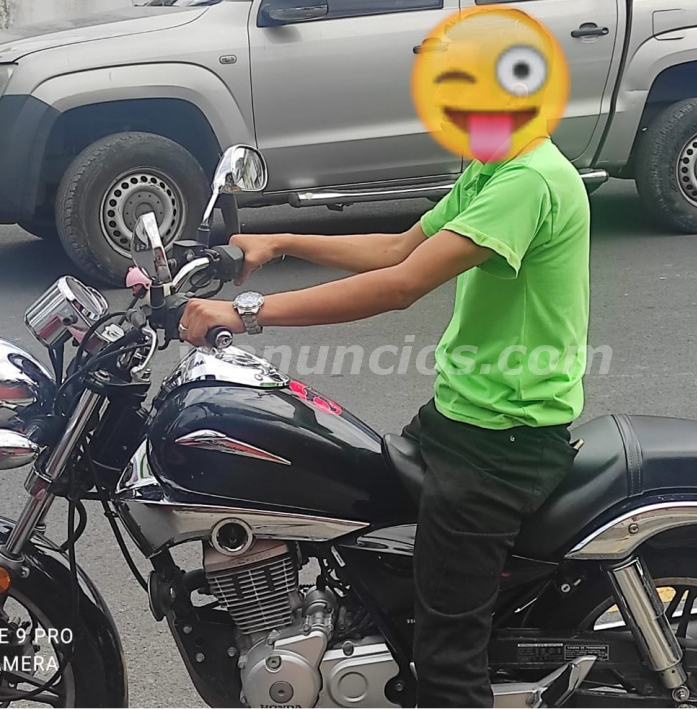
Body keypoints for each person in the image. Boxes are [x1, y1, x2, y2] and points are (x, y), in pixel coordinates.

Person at [178, 129, 590, 706]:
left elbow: (400, 284)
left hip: (501, 444)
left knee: (444, 663)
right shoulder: (495, 167)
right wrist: (282, 241)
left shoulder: (528, 181)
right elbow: (399, 249)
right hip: (462, 419)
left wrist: (245, 312)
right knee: (372, 568)